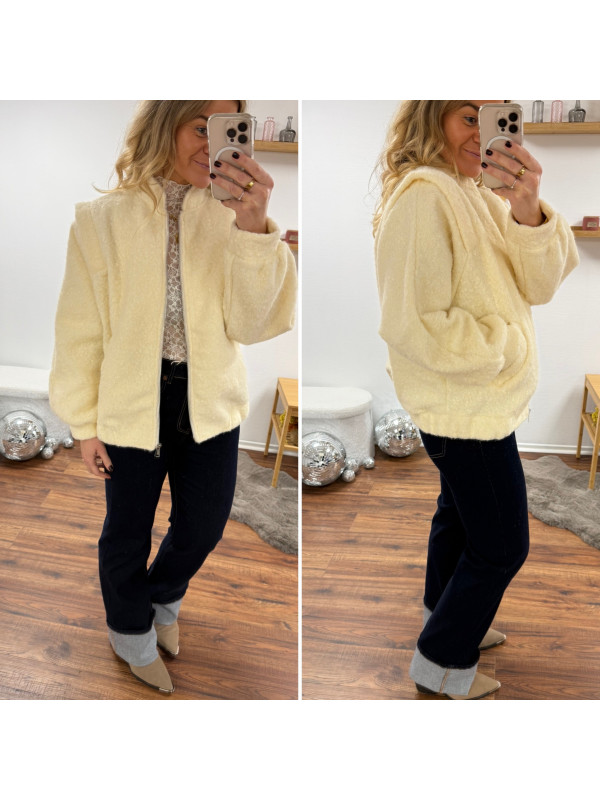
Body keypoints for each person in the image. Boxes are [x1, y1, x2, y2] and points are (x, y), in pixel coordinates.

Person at [49, 100, 297, 694]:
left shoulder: (235, 214)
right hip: (131, 399)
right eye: (200, 127)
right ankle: (129, 630)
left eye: (227, 129)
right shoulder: (101, 219)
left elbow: (255, 324)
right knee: (126, 530)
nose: (212, 144)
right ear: (165, 123)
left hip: (209, 399)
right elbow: (79, 329)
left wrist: (254, 228)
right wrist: (84, 425)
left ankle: (160, 598)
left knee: (204, 526)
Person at [373, 101, 578, 699]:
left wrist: (526, 207)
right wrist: (505, 346)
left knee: (459, 515)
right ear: (431, 119)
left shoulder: (479, 192)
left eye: (493, 118)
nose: (483, 134)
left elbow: (539, 284)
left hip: (480, 400)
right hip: (463, 405)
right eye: (468, 116)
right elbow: (414, 323)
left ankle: (447, 614)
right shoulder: (424, 197)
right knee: (503, 545)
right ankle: (440, 662)